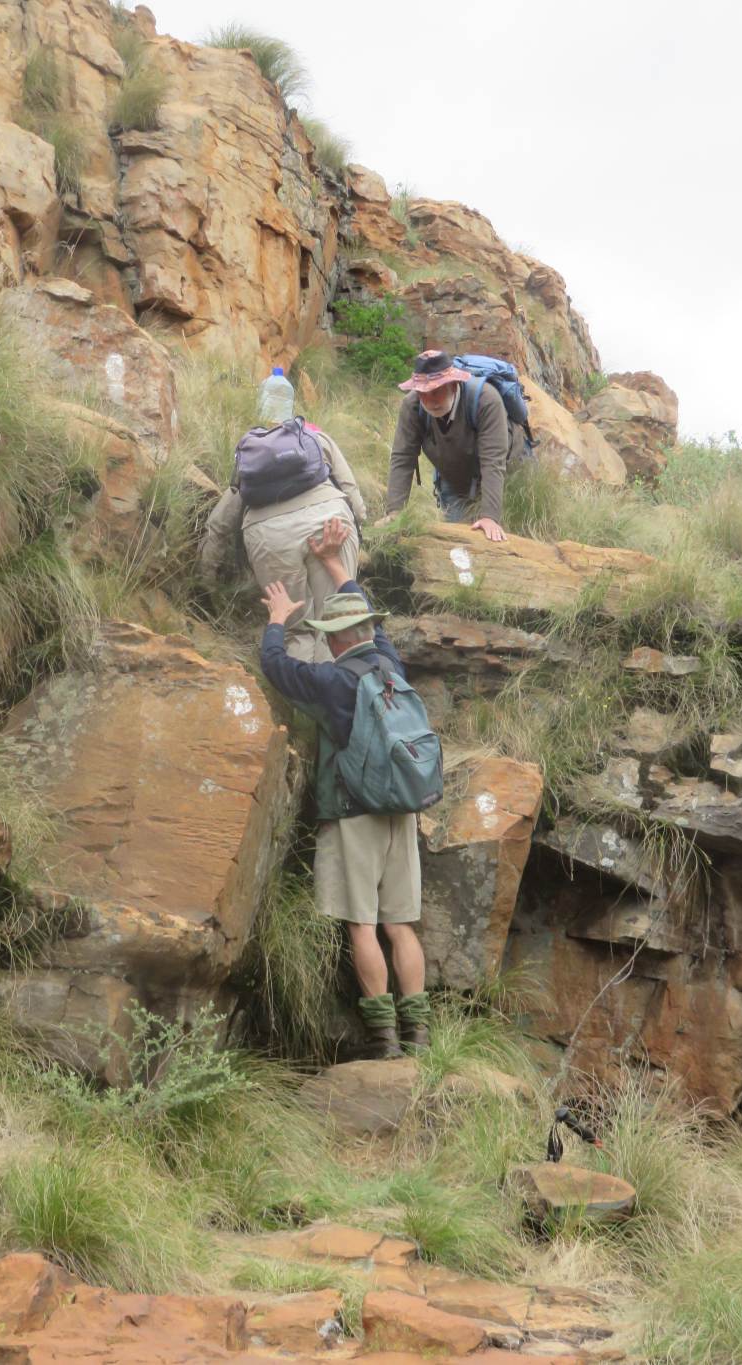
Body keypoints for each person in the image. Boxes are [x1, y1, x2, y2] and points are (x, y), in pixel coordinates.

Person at [259, 515, 430, 1058]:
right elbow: (363, 611)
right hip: (403, 808)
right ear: (369, 632)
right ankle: (420, 1037)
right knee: (400, 926)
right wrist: (336, 565)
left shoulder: (333, 681)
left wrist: (279, 619)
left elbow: (276, 667)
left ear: (336, 640)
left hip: (355, 812)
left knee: (362, 925)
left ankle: (384, 1042)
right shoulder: (390, 665)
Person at [200, 424, 366, 662]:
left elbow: (218, 525)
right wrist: (356, 530)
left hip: (269, 536)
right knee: (337, 618)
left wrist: (206, 582)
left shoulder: (254, 459)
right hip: (329, 523)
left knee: (295, 630)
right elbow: (355, 500)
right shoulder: (317, 438)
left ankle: (300, 694)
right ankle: (343, 690)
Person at [382, 349, 525, 541]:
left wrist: (489, 517)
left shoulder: (486, 400)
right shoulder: (412, 406)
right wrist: (395, 513)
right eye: (423, 392)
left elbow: (493, 462)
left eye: (437, 391)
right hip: (454, 476)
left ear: (454, 384)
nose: (430, 401)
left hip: (505, 474)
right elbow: (402, 458)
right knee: (457, 543)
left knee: (497, 535)